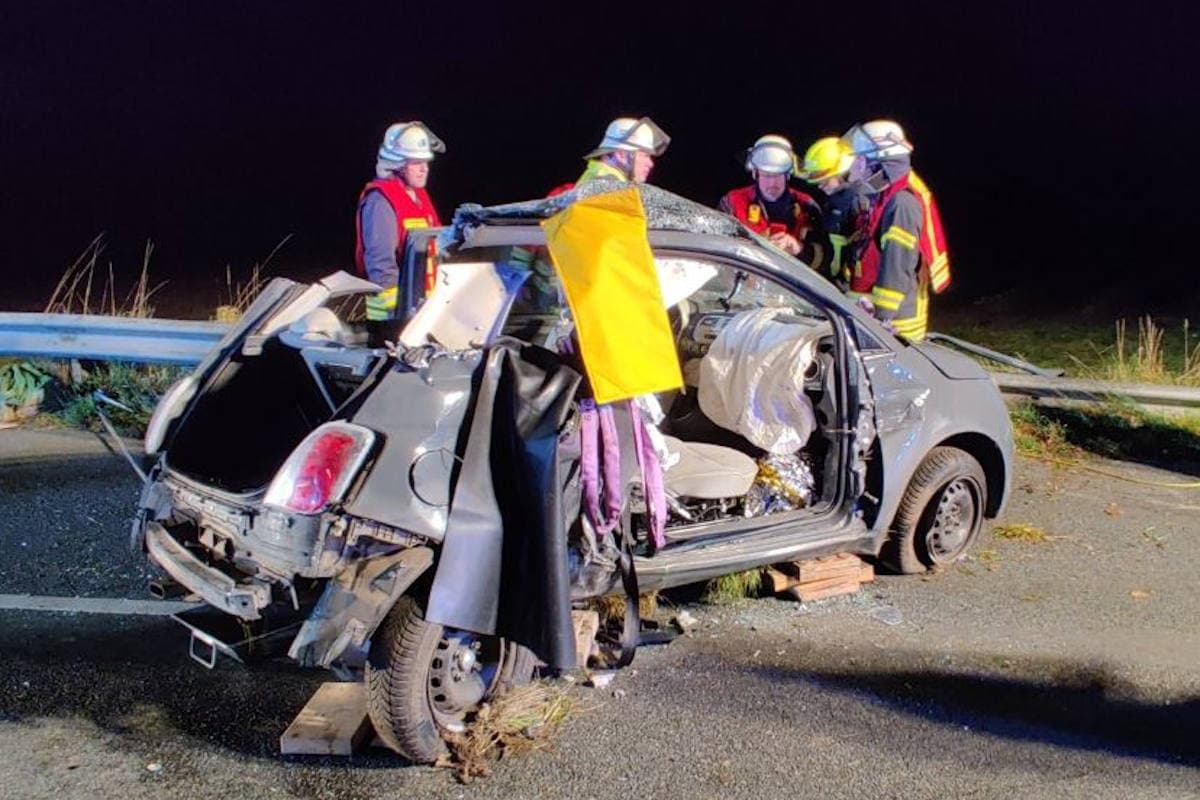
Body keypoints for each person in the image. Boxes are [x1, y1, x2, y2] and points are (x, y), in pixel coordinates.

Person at [841, 120, 950, 342]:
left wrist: (880, 317)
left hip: (896, 324)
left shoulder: (902, 203)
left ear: (880, 163)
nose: (855, 166)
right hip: (885, 317)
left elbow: (897, 267)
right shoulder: (888, 193)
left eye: (860, 160)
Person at [354, 121, 444, 340]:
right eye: (416, 162)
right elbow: (381, 266)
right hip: (394, 321)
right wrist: (400, 319)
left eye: (426, 161)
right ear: (397, 163)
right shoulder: (380, 201)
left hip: (424, 313)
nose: (425, 168)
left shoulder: (419, 196)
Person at [718, 135, 825, 266]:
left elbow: (825, 259)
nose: (773, 183)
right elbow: (717, 245)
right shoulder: (732, 202)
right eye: (766, 175)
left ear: (788, 174)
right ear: (755, 173)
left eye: (779, 175)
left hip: (788, 282)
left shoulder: (807, 206)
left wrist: (799, 249)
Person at [797, 136, 863, 284]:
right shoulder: (832, 201)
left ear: (842, 171)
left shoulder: (859, 203)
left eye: (823, 178)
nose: (820, 185)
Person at [549, 116, 671, 195]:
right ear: (621, 155)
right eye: (645, 155)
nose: (651, 163)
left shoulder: (602, 178)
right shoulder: (606, 185)